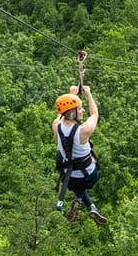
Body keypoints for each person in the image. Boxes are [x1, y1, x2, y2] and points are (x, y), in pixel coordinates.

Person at [52, 85, 106, 224]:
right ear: (74, 112)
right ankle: (82, 201)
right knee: (88, 174)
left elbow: (61, 114)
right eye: (80, 108)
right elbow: (94, 114)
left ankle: (89, 205)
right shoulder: (83, 130)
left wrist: (71, 95)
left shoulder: (56, 126)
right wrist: (88, 94)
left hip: (68, 178)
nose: (83, 110)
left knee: (77, 185)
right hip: (89, 176)